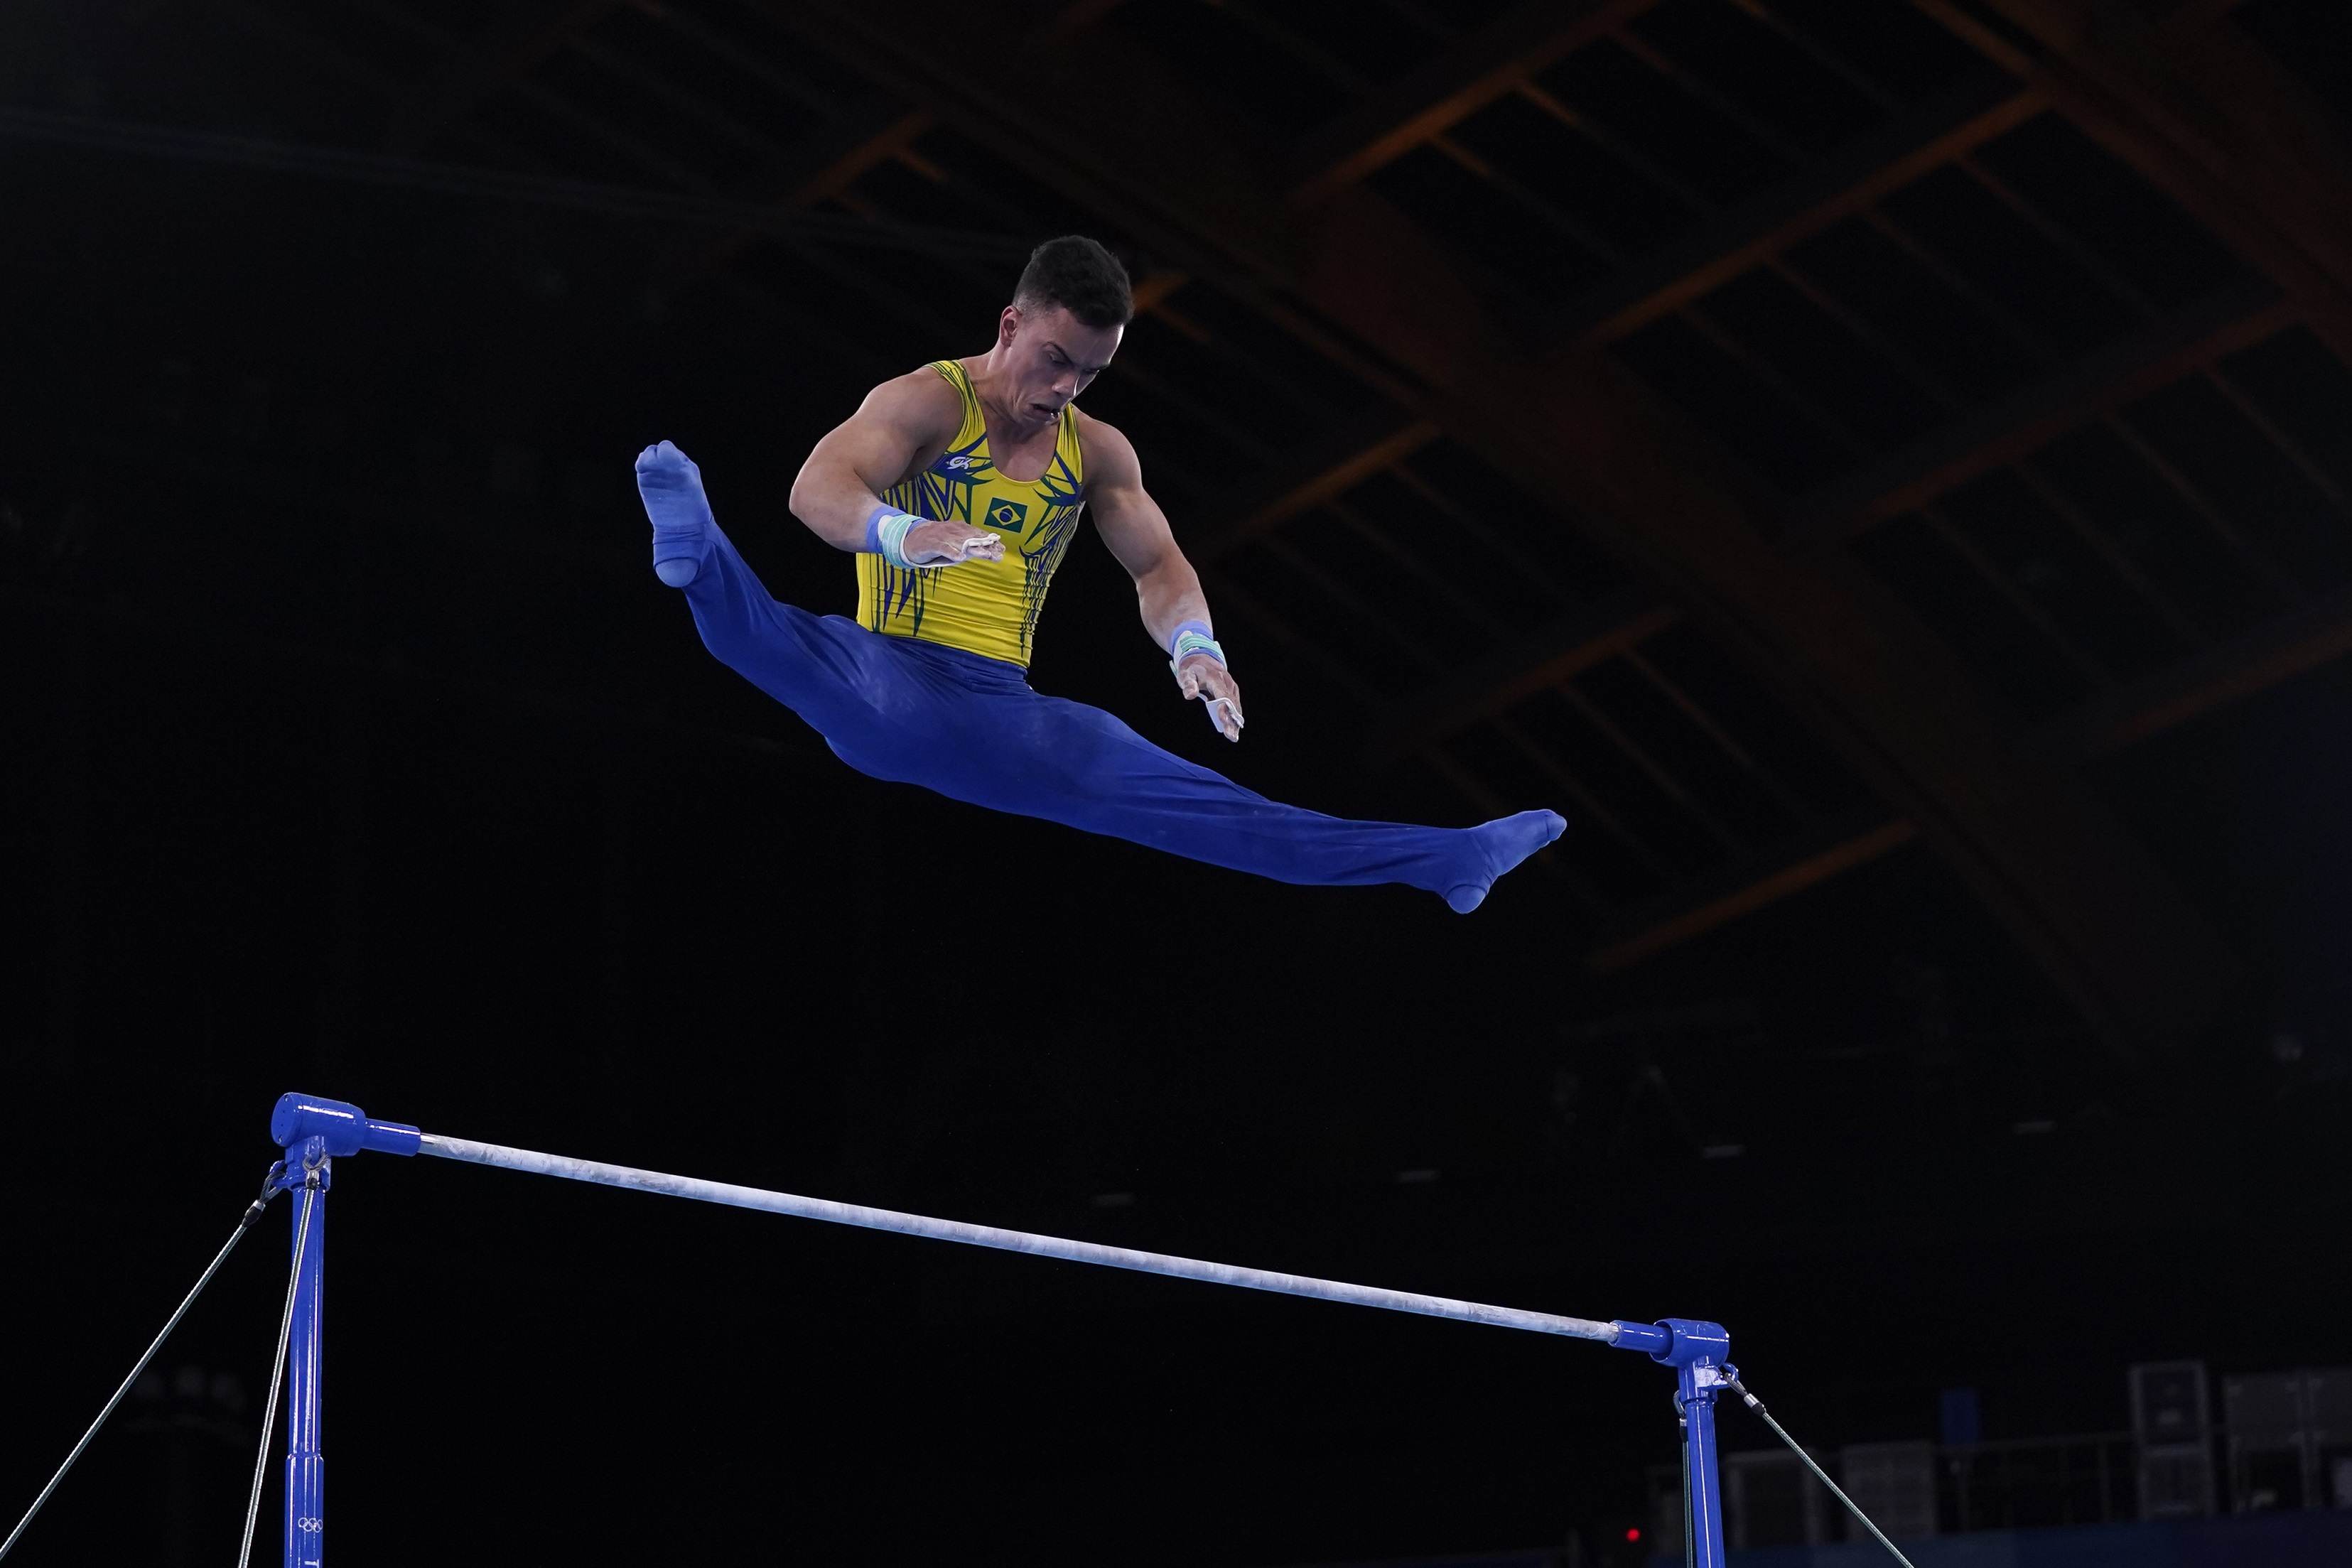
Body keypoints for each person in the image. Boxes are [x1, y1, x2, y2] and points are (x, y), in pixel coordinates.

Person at [635, 234, 1561, 911]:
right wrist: (899, 534)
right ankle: (695, 544)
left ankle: (1445, 859)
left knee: (1224, 815)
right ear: (1011, 325)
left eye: (1090, 372)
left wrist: (1194, 645)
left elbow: (1156, 562)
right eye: (1055, 360)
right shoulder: (927, 399)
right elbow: (817, 488)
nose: (1065, 388)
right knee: (780, 642)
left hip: (1010, 719)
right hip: (893, 678)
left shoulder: (1099, 453)